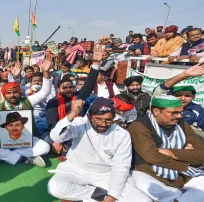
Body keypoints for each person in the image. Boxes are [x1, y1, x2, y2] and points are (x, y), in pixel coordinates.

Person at [47, 98, 152, 202]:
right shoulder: (80, 123)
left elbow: (121, 167)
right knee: (55, 187)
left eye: (108, 120)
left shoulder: (121, 134)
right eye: (98, 119)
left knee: (143, 200)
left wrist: (111, 197)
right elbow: (56, 137)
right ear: (89, 116)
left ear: (114, 118)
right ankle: (97, 194)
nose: (103, 124)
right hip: (76, 169)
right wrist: (72, 114)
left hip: (106, 175)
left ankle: (91, 198)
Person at [129, 64, 204, 202]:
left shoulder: (182, 124)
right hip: (149, 173)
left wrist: (172, 152)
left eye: (180, 113)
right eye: (174, 113)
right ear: (156, 111)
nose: (179, 116)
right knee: (149, 189)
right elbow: (152, 157)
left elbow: (201, 153)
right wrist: (185, 165)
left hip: (181, 176)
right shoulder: (139, 125)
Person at [0, 59, 53, 167]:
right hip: (5, 141)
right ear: (4, 95)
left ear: (20, 92)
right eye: (9, 93)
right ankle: (26, 157)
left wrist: (46, 72)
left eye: (15, 92)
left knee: (45, 147)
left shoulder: (28, 101)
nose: (12, 95)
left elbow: (45, 91)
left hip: (27, 139)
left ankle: (6, 156)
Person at [45, 49, 102, 157]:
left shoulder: (78, 97)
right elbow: (51, 124)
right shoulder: (53, 102)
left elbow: (89, 83)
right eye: (65, 87)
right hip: (58, 132)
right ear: (59, 90)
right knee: (47, 142)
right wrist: (57, 141)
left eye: (70, 87)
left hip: (76, 131)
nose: (68, 89)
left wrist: (96, 63)